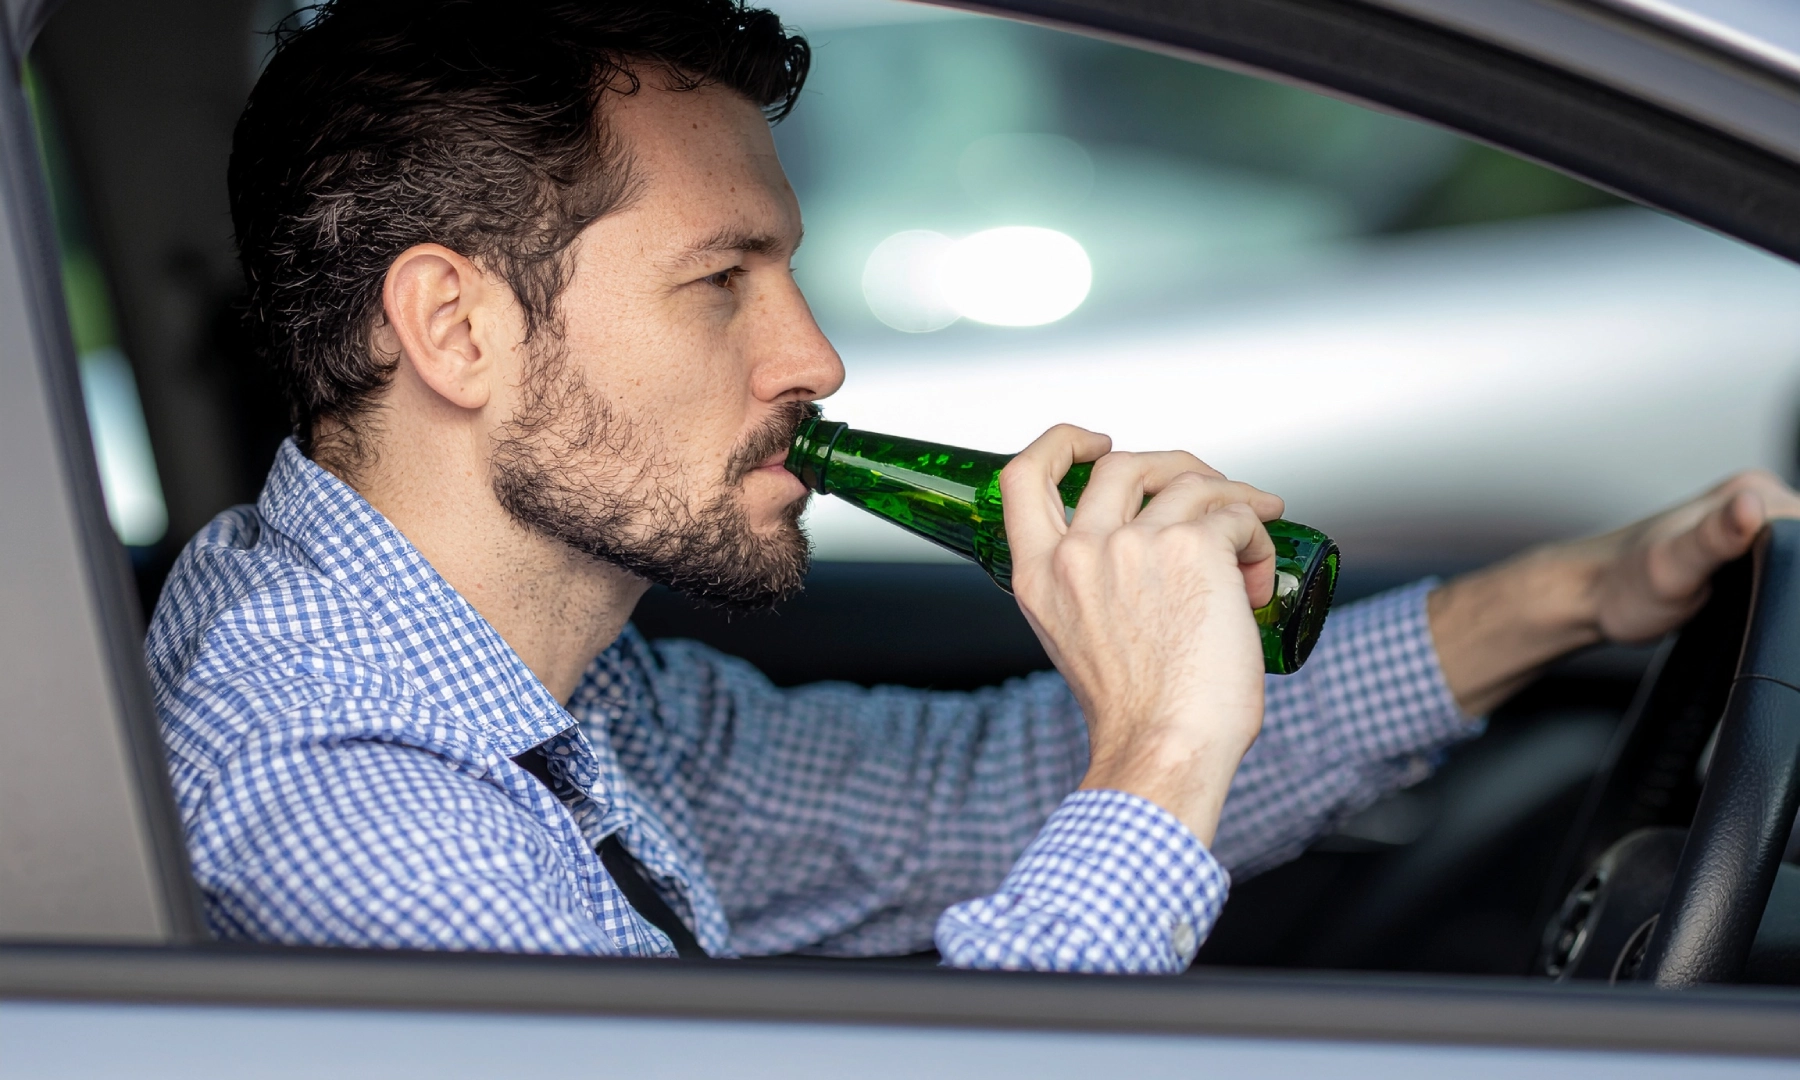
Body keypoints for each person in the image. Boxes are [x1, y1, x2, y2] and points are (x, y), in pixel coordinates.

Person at [146, 0, 1800, 972]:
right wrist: (1159, 755)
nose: (815, 359)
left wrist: (1577, 597)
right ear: (457, 323)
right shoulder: (338, 786)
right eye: (724, 278)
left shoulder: (532, 674)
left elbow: (957, 802)